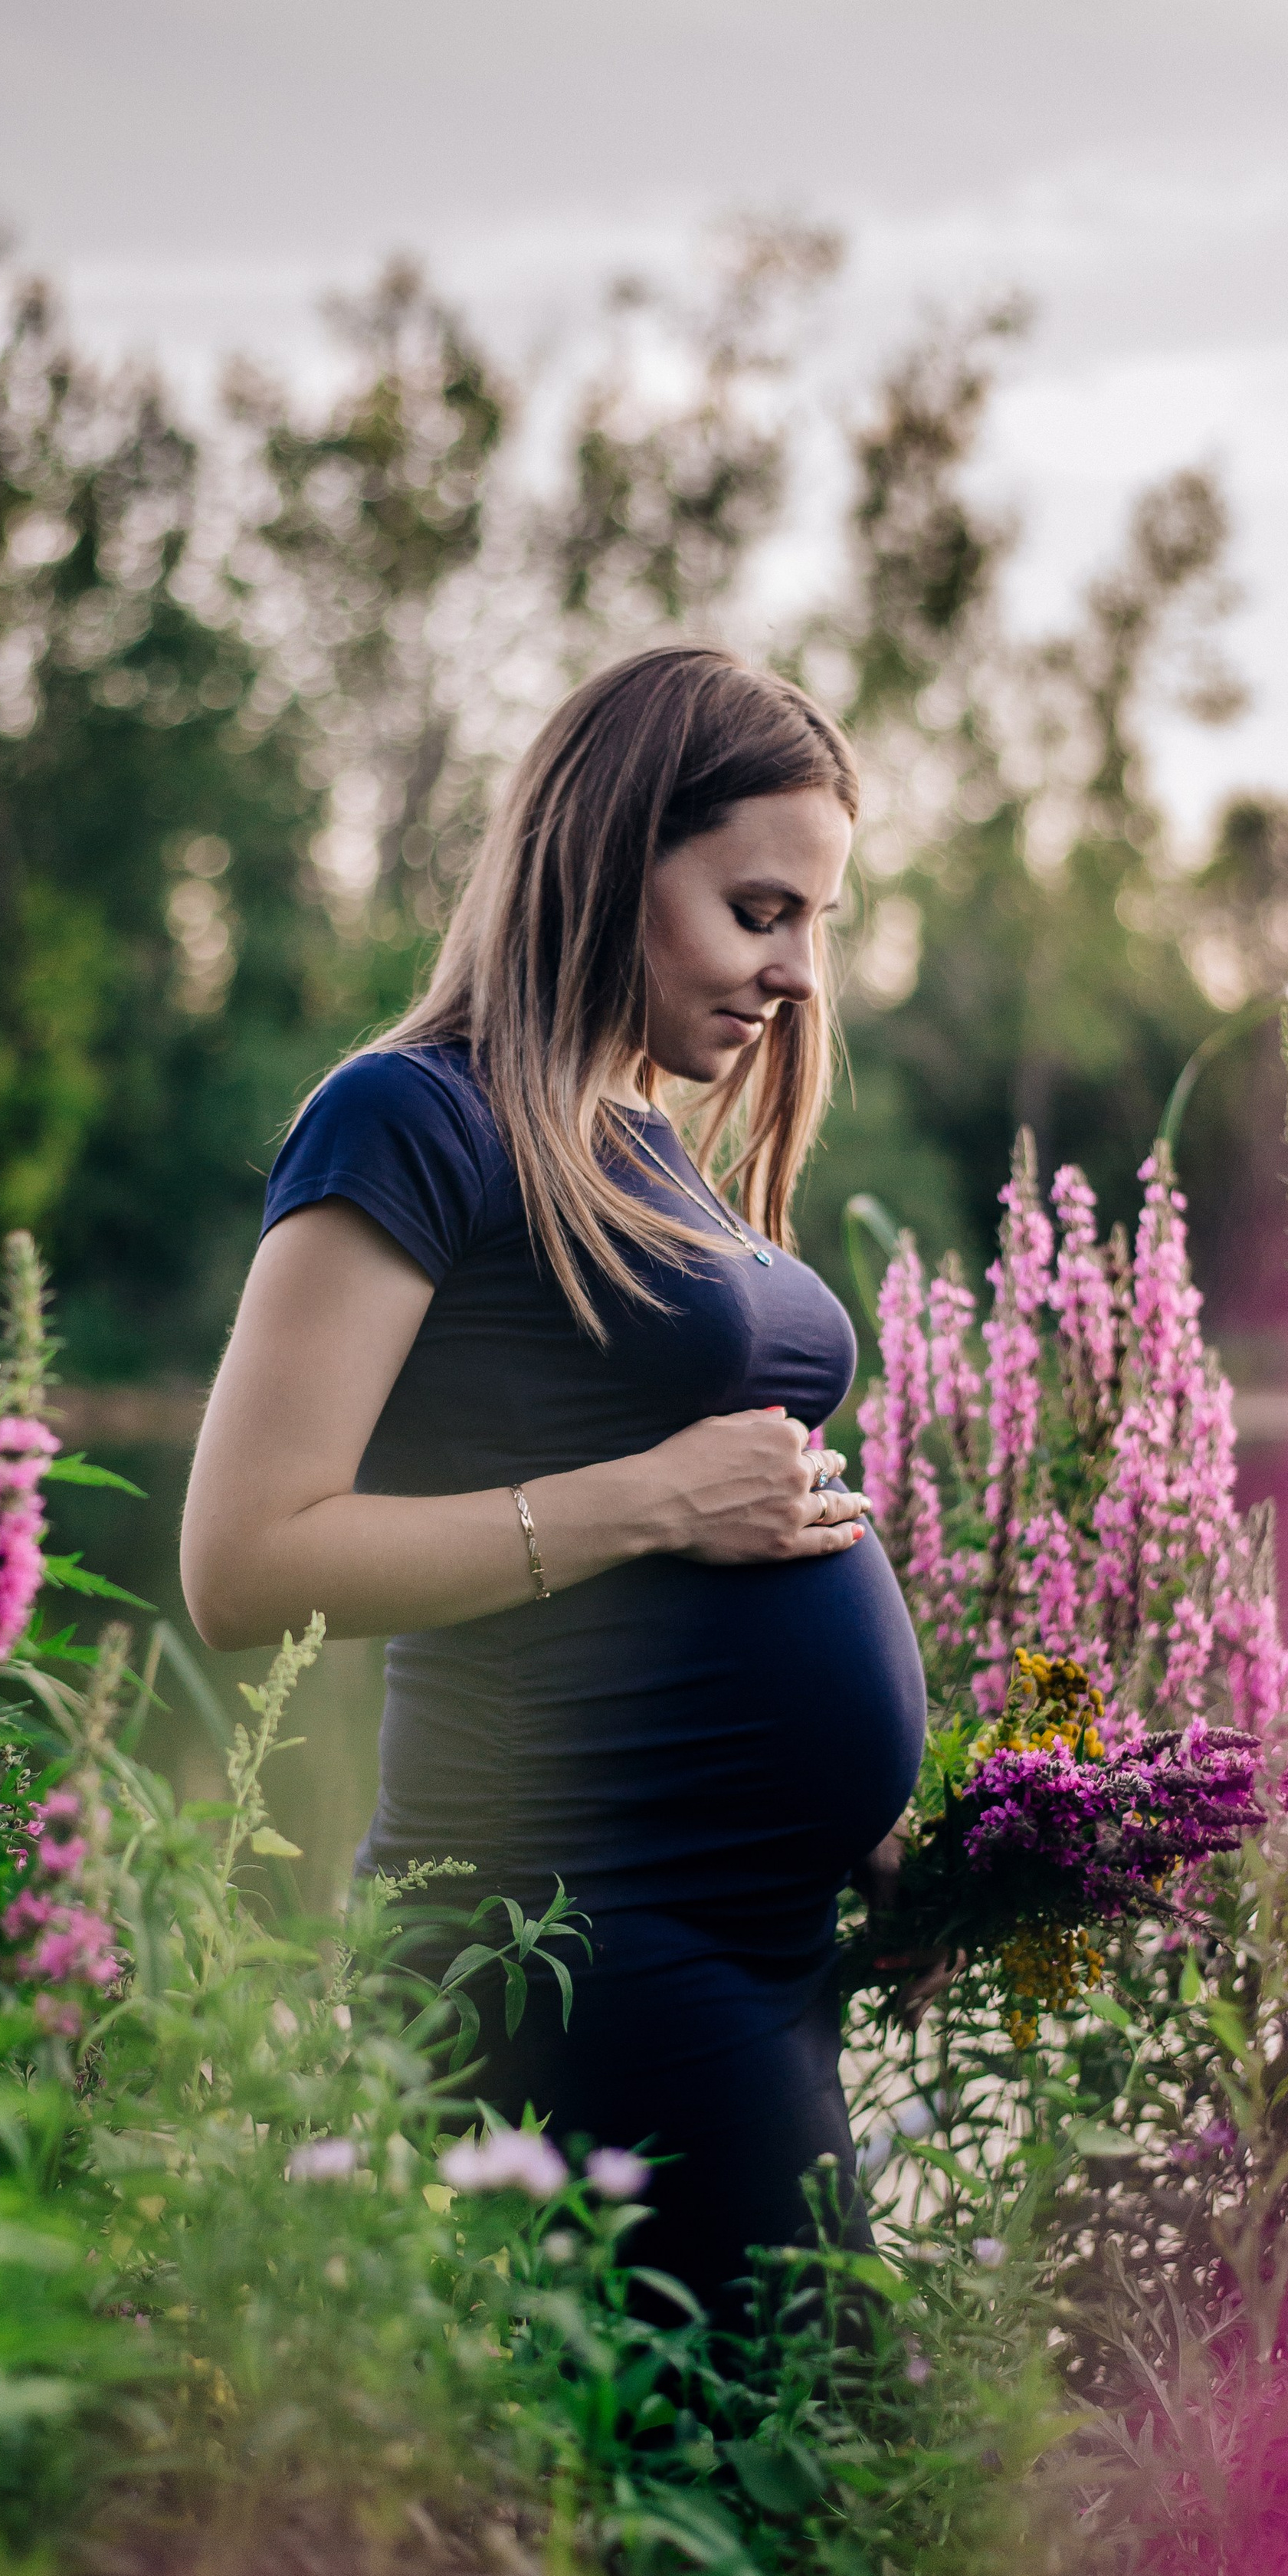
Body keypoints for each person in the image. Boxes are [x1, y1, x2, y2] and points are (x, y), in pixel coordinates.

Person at [181, 642, 927, 2311]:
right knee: (792, 2432)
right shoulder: (408, 1120)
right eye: (759, 911)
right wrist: (656, 1498)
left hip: (752, 1942)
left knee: (784, 2439)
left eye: (817, 921)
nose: (799, 973)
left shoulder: (645, 1142)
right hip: (574, 1940)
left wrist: (863, 1828)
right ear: (604, 861)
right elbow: (241, 1563)